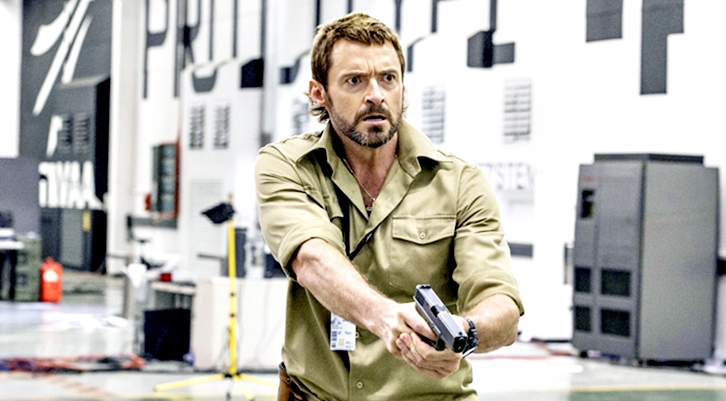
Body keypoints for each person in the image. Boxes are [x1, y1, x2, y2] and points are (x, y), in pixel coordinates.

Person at [254, 12, 524, 401]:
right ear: (318, 93)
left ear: (403, 89)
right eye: (354, 80)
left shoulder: (460, 182)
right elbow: (311, 259)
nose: (376, 95)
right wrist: (387, 319)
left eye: (388, 78)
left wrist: (463, 333)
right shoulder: (287, 165)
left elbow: (500, 305)